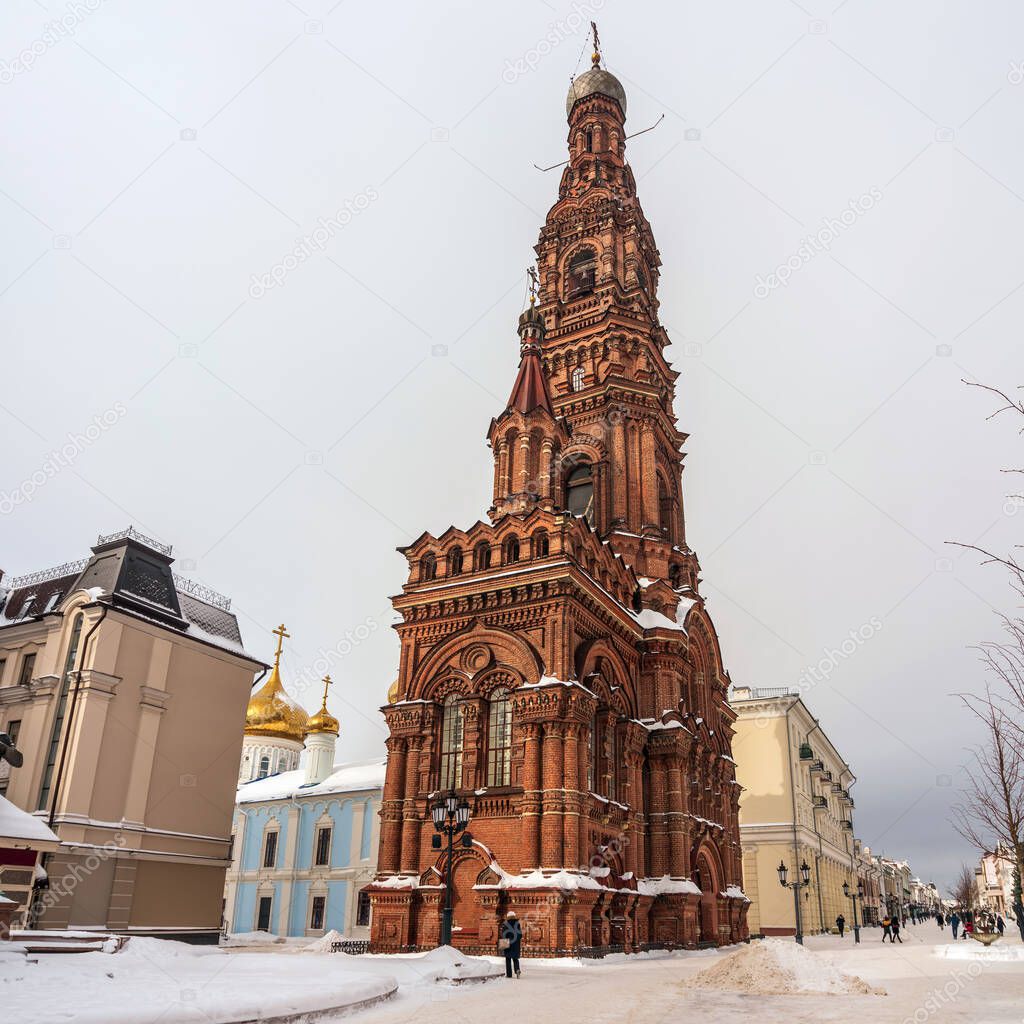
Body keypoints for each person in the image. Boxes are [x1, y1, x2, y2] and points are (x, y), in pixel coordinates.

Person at [500, 910, 522, 978]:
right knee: (515, 958)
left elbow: (503, 935)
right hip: (515, 944)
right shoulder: (517, 924)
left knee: (508, 959)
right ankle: (517, 970)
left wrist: (503, 944)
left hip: (507, 943)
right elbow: (520, 935)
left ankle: (509, 974)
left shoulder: (505, 924)